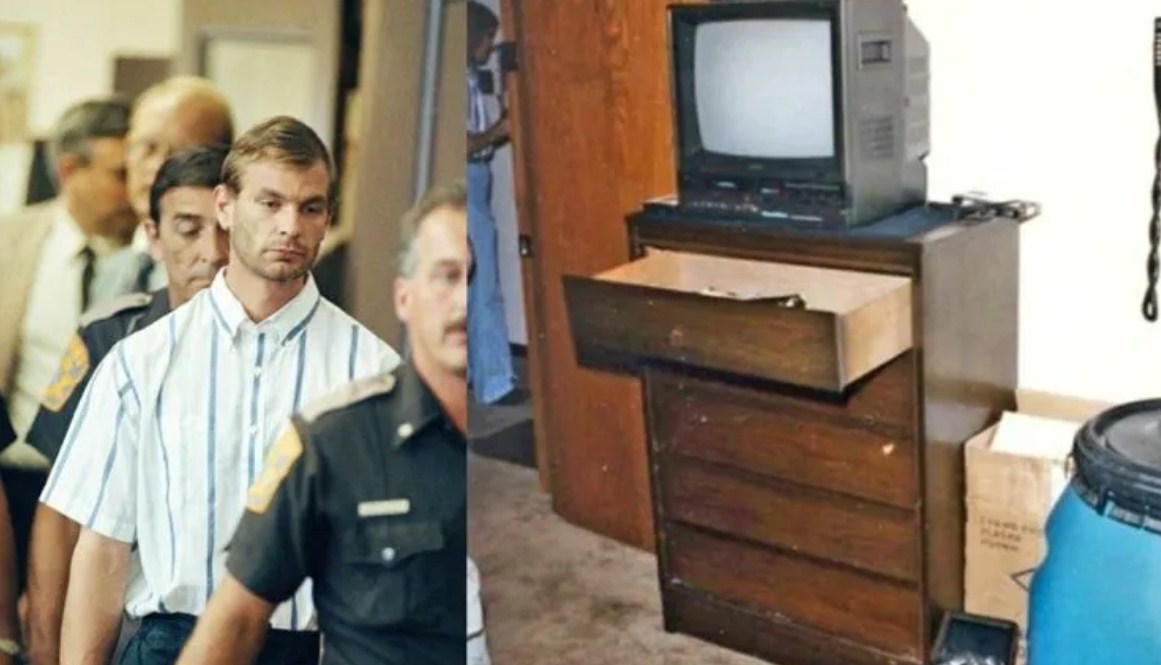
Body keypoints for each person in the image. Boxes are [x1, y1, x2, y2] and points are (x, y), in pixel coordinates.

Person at [41, 116, 401, 665]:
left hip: (307, 647)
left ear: (328, 218)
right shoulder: (141, 361)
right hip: (169, 639)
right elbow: (103, 548)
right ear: (226, 208)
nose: (290, 226)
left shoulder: (372, 371)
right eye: (269, 203)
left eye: (310, 207)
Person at [175, 182, 471, 665]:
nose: (464, 302)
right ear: (403, 298)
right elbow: (235, 621)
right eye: (446, 277)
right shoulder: (331, 443)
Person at [23, 146, 231, 665]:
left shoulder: (282, 349)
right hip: (122, 618)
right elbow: (59, 510)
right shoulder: (112, 335)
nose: (212, 251)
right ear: (154, 237)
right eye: (188, 228)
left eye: (226, 228)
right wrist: (45, 643)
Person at [0, 98, 142, 610]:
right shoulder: (10, 242)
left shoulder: (146, 260)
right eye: (118, 174)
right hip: (17, 479)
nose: (133, 190)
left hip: (104, 494)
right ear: (68, 171)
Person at [122, 76, 234, 294]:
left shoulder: (224, 273)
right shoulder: (109, 269)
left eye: (180, 153)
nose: (157, 166)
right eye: (148, 148)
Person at [466, 0, 520, 406]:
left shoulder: (472, 80)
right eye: (489, 39)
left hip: (478, 178)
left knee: (473, 282)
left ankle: (476, 373)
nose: (491, 46)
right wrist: (500, 129)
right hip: (470, 177)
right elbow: (467, 143)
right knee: (484, 284)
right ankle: (496, 383)